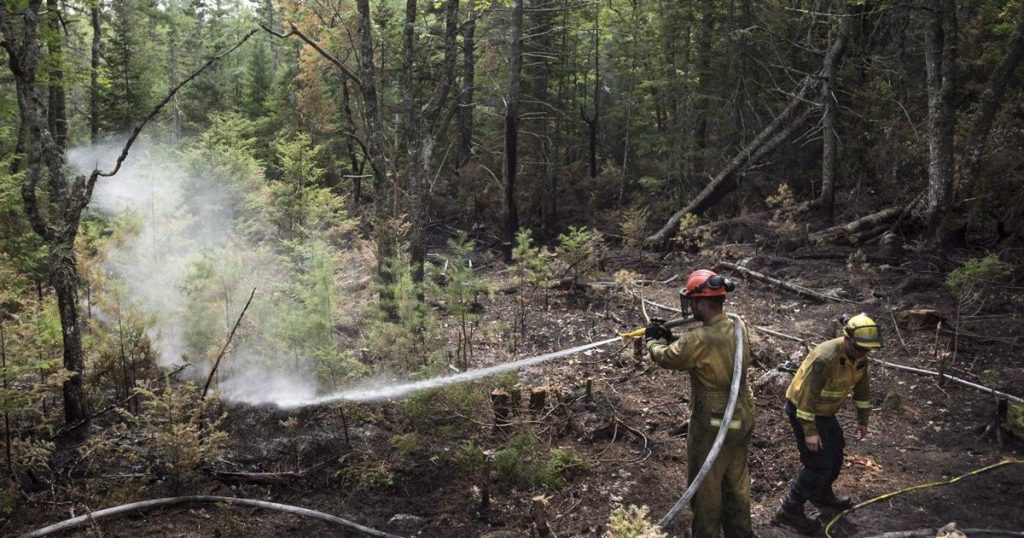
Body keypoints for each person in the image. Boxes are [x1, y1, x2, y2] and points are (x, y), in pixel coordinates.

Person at [645, 269, 755, 538]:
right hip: (742, 415)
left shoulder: (699, 339)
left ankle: (705, 534)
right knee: (736, 481)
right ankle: (740, 533)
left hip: (713, 421)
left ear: (704, 303)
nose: (690, 307)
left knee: (706, 484)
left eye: (693, 302)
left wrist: (653, 340)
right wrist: (671, 337)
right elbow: (699, 352)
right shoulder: (737, 326)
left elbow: (668, 357)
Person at [774, 313, 883, 534]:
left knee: (835, 455)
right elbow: (807, 396)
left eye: (867, 349)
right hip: (804, 411)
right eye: (860, 348)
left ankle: (821, 494)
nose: (864, 353)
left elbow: (862, 389)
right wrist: (810, 432)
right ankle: (789, 509)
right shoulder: (825, 358)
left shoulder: (860, 356)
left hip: (825, 412)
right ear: (847, 339)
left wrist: (863, 419)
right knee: (818, 463)